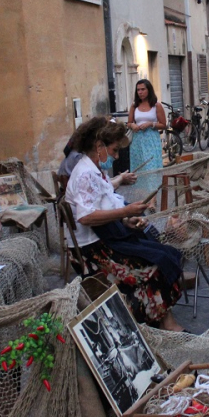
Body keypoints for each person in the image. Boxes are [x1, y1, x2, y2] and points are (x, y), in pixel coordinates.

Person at [66, 118, 186, 329]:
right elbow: (85, 217)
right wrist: (126, 211)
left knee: (163, 251)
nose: (116, 156)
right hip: (92, 251)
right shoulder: (84, 174)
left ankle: (163, 321)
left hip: (105, 238)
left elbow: (102, 201)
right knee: (155, 264)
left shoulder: (92, 169)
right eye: (114, 150)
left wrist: (125, 218)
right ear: (99, 146)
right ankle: (161, 323)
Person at [128, 79, 166, 178]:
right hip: (137, 141)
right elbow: (129, 123)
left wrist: (151, 124)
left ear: (149, 90)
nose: (140, 92)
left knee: (151, 167)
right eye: (138, 90)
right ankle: (141, 192)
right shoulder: (134, 106)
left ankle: (154, 190)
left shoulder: (156, 106)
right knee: (139, 168)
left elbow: (163, 124)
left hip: (151, 140)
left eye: (143, 89)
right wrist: (132, 125)